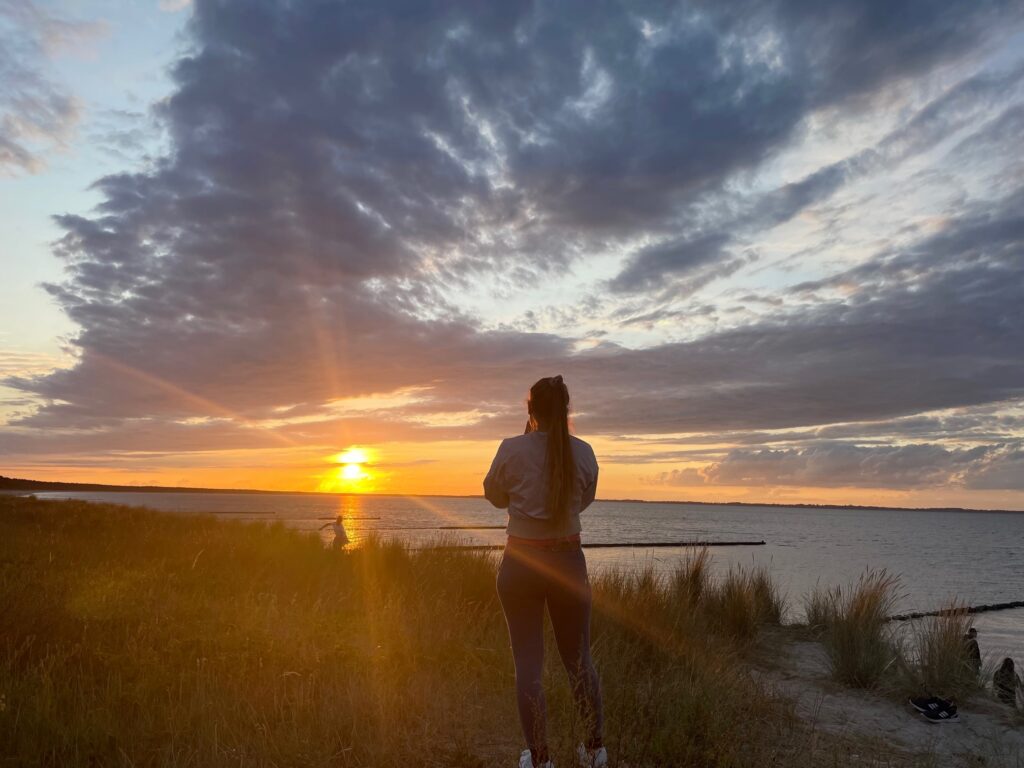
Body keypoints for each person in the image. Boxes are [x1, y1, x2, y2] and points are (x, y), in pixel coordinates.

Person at [484, 375, 605, 768]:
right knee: (579, 661)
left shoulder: (511, 449)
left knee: (529, 666)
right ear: (567, 411)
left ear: (530, 409)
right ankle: (593, 751)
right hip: (568, 561)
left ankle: (539, 760)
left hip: (521, 563)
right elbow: (582, 503)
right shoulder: (584, 453)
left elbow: (493, 494)